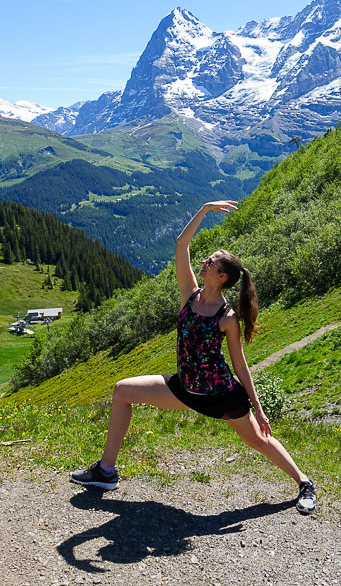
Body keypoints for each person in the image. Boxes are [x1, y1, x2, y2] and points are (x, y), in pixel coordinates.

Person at [70, 200, 317, 515]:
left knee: (257, 440)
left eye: (211, 261)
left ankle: (304, 482)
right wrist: (204, 209)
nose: (205, 261)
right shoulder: (191, 293)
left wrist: (258, 407)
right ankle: (106, 471)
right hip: (184, 388)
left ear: (222, 276)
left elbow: (239, 365)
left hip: (221, 395)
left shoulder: (227, 317)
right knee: (122, 391)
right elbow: (181, 244)